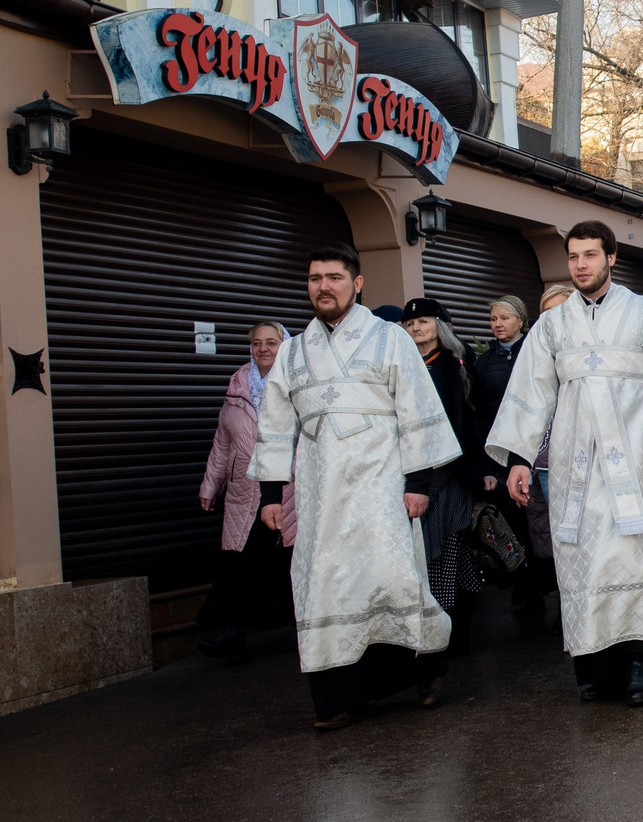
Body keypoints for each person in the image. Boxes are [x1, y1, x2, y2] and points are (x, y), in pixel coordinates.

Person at [486, 221, 643, 707]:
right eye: (574, 257)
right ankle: (594, 664)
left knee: (636, 554)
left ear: (611, 258)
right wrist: (521, 459)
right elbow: (529, 394)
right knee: (585, 562)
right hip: (576, 469)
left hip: (638, 462)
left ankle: (637, 663)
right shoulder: (551, 324)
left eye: (591, 255)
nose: (581, 265)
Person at [249, 244, 459, 729]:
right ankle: (340, 698)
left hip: (382, 487)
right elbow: (275, 423)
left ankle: (426, 667)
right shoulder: (295, 352)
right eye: (315, 278)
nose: (324, 286)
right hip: (320, 498)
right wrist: (270, 494)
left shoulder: (390, 339)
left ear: (356, 283)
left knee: (395, 579)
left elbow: (418, 410)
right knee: (327, 590)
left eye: (334, 277)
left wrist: (419, 482)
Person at [401, 297, 494, 685]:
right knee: (425, 553)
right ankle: (436, 631)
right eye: (410, 324)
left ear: (440, 326)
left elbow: (469, 421)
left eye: (424, 321)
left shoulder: (452, 366)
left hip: (452, 471)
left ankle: (456, 631)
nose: (416, 329)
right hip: (414, 473)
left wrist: (483, 470)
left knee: (449, 549)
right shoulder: (405, 367)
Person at [196, 321, 297, 662]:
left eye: (271, 342)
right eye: (256, 343)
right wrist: (211, 485)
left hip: (289, 490)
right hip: (243, 491)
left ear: (286, 345)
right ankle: (234, 636)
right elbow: (223, 444)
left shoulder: (299, 381)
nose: (263, 349)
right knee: (238, 564)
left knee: (289, 562)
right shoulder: (238, 386)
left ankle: (306, 634)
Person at [468, 295, 544, 621]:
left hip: (539, 451)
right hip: (501, 455)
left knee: (542, 522)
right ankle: (527, 585)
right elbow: (480, 417)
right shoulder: (484, 364)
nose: (498, 324)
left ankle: (546, 586)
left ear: (520, 320)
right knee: (515, 522)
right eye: (493, 319)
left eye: (505, 318)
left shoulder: (537, 352)